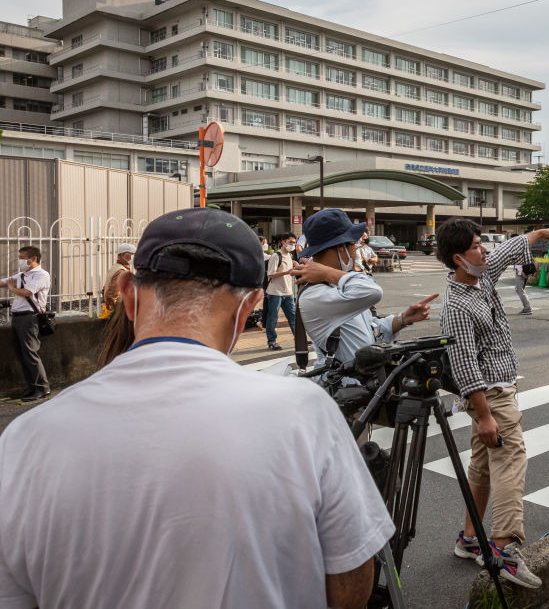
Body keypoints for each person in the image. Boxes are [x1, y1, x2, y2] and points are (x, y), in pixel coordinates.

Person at [0, 208, 394, 608]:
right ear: (249, 308)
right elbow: (350, 579)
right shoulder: (304, 413)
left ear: (129, 295)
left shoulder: (25, 438)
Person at [437, 218, 549, 589]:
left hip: (498, 388)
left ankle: (469, 538)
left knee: (483, 465)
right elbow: (463, 365)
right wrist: (486, 415)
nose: (484, 250)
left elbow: (506, 252)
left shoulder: (481, 277)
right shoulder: (456, 306)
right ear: (459, 258)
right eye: (477, 246)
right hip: (489, 394)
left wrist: (537, 235)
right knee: (511, 458)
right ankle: (505, 548)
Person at [292, 209, 436, 383]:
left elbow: (370, 332)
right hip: (346, 392)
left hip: (366, 389)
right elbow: (373, 291)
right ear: (340, 248)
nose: (356, 251)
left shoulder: (338, 285)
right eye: (354, 245)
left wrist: (403, 319)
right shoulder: (315, 294)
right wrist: (329, 272)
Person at [0, 246, 51, 401]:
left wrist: (12, 288)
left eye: (23, 257)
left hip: (30, 318)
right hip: (18, 318)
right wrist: (8, 284)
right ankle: (31, 387)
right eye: (19, 257)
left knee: (30, 353)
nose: (20, 260)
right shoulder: (23, 275)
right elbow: (3, 282)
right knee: (21, 354)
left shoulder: (41, 275)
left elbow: (28, 292)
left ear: (33, 259)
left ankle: (42, 388)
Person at [264, 233, 297, 351]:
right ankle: (272, 341)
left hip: (288, 292)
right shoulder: (275, 256)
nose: (293, 245)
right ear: (283, 242)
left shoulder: (290, 255)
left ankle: (298, 338)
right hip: (275, 293)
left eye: (294, 243)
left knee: (293, 317)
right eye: (290, 242)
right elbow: (270, 274)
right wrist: (286, 272)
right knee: (273, 317)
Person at [100, 243, 136, 318]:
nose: (133, 257)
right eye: (131, 255)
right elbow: (113, 293)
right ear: (123, 255)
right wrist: (112, 312)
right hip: (118, 311)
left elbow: (105, 289)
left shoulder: (115, 267)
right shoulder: (121, 272)